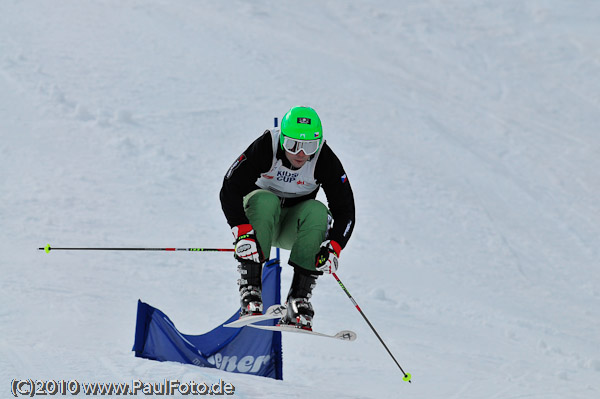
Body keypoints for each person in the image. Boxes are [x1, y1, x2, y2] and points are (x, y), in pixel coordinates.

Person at [220, 106, 355, 330]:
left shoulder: (324, 159)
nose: (301, 154)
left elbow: (346, 210)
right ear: (282, 139)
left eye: (310, 146)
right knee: (266, 201)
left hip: (294, 227)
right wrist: (241, 230)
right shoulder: (266, 147)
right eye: (293, 145)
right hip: (259, 223)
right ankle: (250, 290)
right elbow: (230, 187)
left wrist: (334, 247)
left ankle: (298, 300)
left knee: (317, 210)